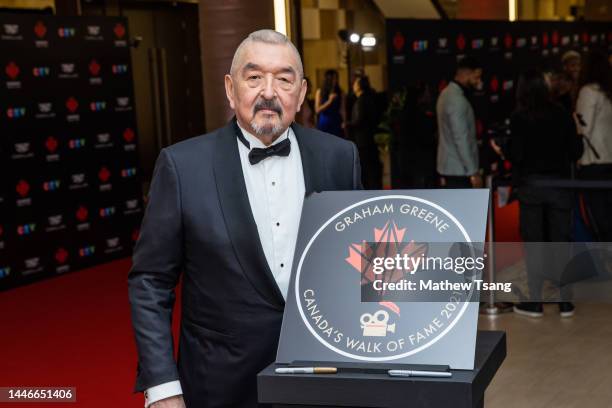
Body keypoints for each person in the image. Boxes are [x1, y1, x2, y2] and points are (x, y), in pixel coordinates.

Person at [128, 30, 362, 408]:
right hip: (219, 383)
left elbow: (356, 264)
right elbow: (150, 282)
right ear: (230, 88)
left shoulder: (340, 157)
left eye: (284, 79)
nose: (269, 92)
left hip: (322, 378)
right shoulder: (183, 166)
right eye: (254, 78)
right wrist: (162, 386)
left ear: (301, 93)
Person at [509, 69, 583, 318]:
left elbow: (515, 154)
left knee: (535, 245)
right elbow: (575, 151)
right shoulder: (561, 114)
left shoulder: (519, 118)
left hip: (531, 187)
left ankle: (535, 302)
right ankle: (564, 302)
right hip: (560, 187)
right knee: (561, 243)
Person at [575, 49, 612, 241]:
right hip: (608, 161)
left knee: (599, 219)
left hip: (594, 164)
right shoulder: (607, 91)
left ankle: (606, 264)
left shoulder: (588, 92)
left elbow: (583, 129)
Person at [436, 56, 483, 188]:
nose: (478, 82)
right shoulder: (457, 100)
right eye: (476, 77)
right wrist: (473, 172)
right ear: (467, 73)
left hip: (452, 167)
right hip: (459, 171)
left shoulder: (445, 93)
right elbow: (461, 138)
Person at [347, 75, 381, 189]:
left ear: (360, 86)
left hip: (362, 140)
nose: (353, 85)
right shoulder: (367, 99)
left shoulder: (361, 101)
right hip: (367, 139)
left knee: (366, 168)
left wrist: (347, 124)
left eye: (355, 83)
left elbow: (359, 120)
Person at [315, 69, 344, 137]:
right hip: (324, 121)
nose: (335, 81)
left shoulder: (340, 92)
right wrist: (329, 101)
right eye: (333, 78)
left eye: (336, 78)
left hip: (336, 120)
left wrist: (344, 122)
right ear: (328, 79)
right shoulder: (320, 91)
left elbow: (342, 109)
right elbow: (317, 110)